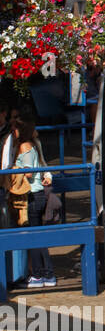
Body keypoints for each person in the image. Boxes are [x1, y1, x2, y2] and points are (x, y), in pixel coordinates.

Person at [11, 115, 55, 288]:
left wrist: (13, 169)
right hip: (36, 194)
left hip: (33, 195)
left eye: (14, 129)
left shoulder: (25, 146)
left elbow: (28, 173)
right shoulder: (33, 144)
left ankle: (40, 274)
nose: (12, 132)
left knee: (35, 237)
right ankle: (45, 273)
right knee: (37, 236)